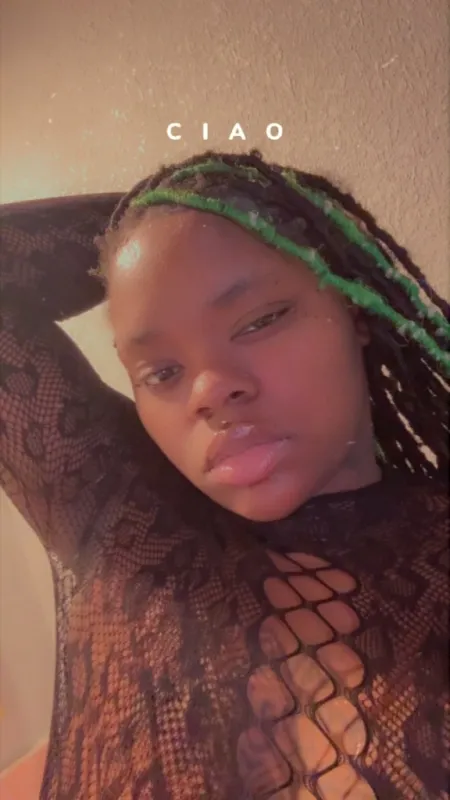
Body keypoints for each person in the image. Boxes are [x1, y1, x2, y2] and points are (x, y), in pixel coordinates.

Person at [0, 147, 448, 800]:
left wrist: (262, 213)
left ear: (355, 306)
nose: (209, 390)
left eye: (260, 321)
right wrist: (159, 216)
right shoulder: (116, 519)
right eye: (162, 372)